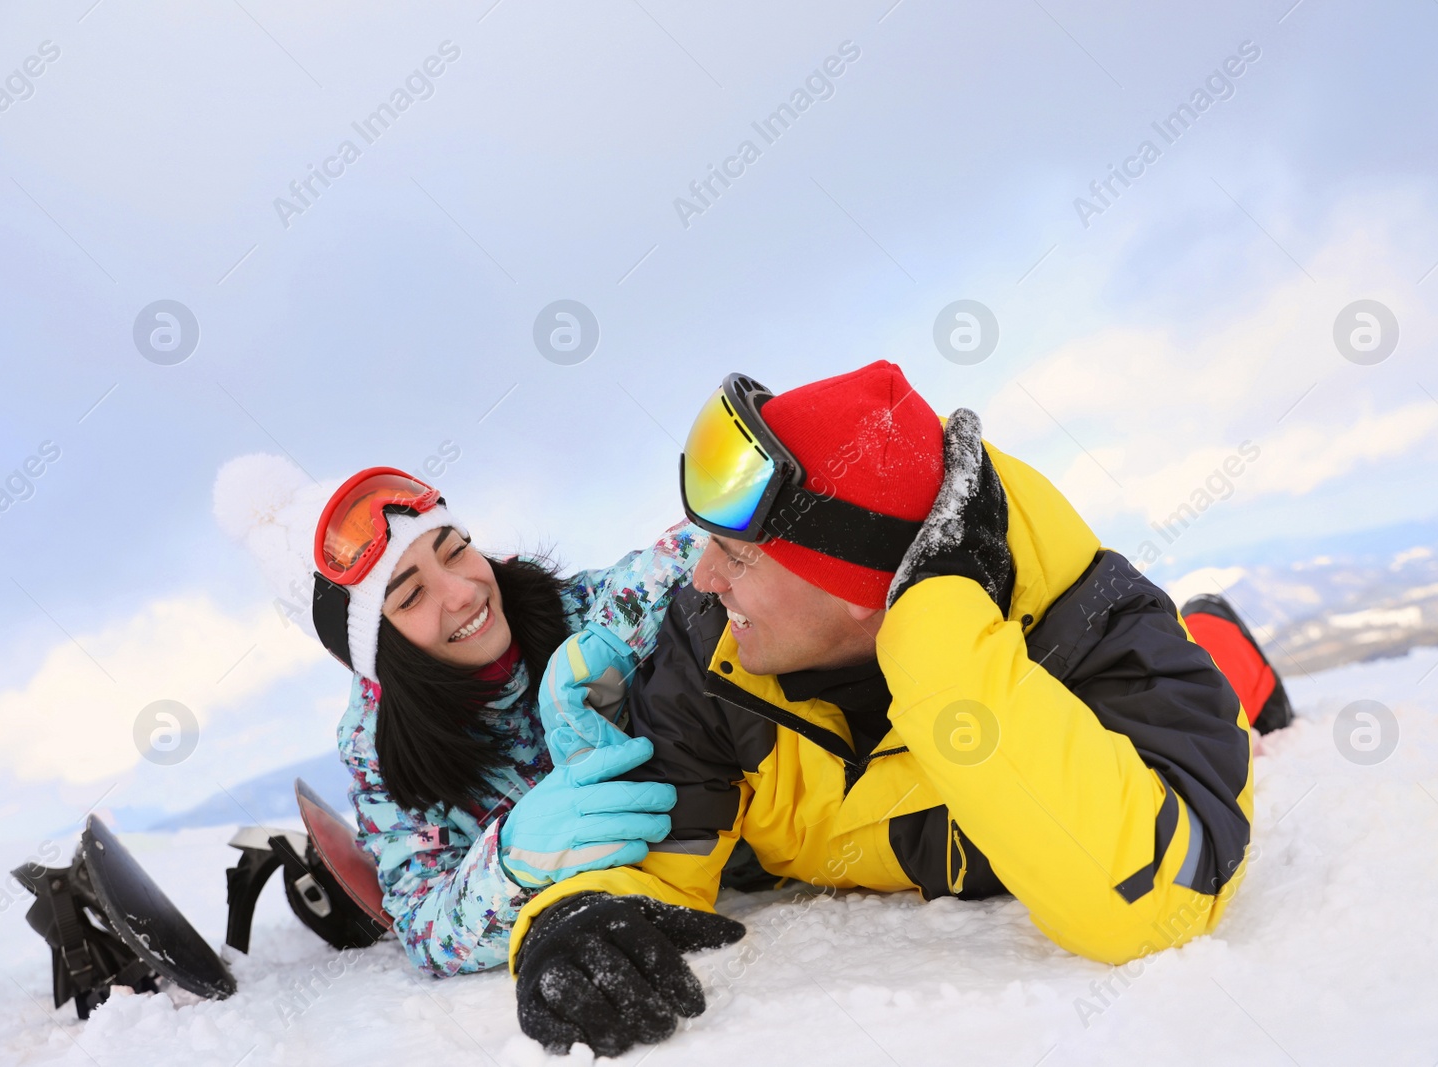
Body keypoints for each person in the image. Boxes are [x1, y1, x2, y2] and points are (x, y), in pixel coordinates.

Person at [510, 362, 1278, 1057]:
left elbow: (1158, 909)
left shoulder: (1096, 629)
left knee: (1229, 689)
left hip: (1138, 671)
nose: (702, 577)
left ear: (859, 592)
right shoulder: (710, 650)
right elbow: (655, 862)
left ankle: (1221, 636)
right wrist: (571, 916)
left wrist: (941, 653)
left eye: (737, 556)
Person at [213, 454, 703, 975]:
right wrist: (513, 862)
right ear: (374, 652)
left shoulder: (567, 611)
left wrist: (611, 642)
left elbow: (694, 551)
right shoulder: (378, 747)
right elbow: (425, 925)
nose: (464, 592)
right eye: (412, 595)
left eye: (456, 552)